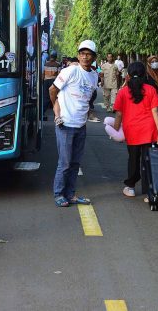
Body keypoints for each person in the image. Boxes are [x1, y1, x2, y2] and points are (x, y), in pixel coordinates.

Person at [50, 40, 99, 207]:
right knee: (65, 163)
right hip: (65, 124)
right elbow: (52, 90)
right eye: (82, 54)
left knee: (75, 163)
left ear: (94, 58)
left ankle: (70, 194)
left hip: (81, 125)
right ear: (78, 56)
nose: (85, 57)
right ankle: (59, 194)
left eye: (88, 54)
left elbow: (89, 97)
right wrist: (56, 109)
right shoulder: (70, 71)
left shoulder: (94, 76)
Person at [112, 62, 158, 197]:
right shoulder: (151, 89)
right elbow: (155, 112)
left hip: (131, 130)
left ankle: (131, 187)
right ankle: (149, 192)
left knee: (133, 159)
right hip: (149, 130)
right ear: (145, 74)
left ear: (128, 75)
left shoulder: (123, 91)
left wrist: (116, 130)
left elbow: (119, 114)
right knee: (147, 160)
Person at [42, 51, 61, 120]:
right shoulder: (58, 64)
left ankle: (42, 113)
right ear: (56, 57)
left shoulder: (46, 64)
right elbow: (59, 74)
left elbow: (43, 74)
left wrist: (43, 81)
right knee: (55, 98)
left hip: (46, 81)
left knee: (46, 98)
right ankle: (56, 115)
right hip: (54, 82)